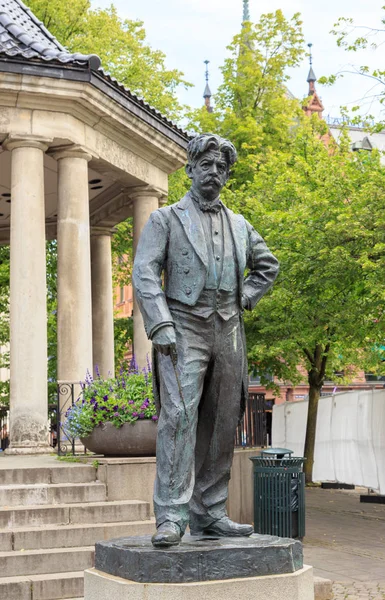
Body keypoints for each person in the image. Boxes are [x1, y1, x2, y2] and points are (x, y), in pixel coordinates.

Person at [133, 133, 279, 547]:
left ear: (227, 175)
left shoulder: (240, 225)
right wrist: (160, 323)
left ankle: (210, 512)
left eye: (221, 167)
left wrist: (245, 298)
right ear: (191, 169)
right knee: (179, 417)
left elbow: (267, 267)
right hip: (183, 328)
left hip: (229, 329)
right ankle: (172, 516)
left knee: (221, 421)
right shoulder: (165, 220)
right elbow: (145, 272)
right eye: (206, 165)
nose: (213, 172)